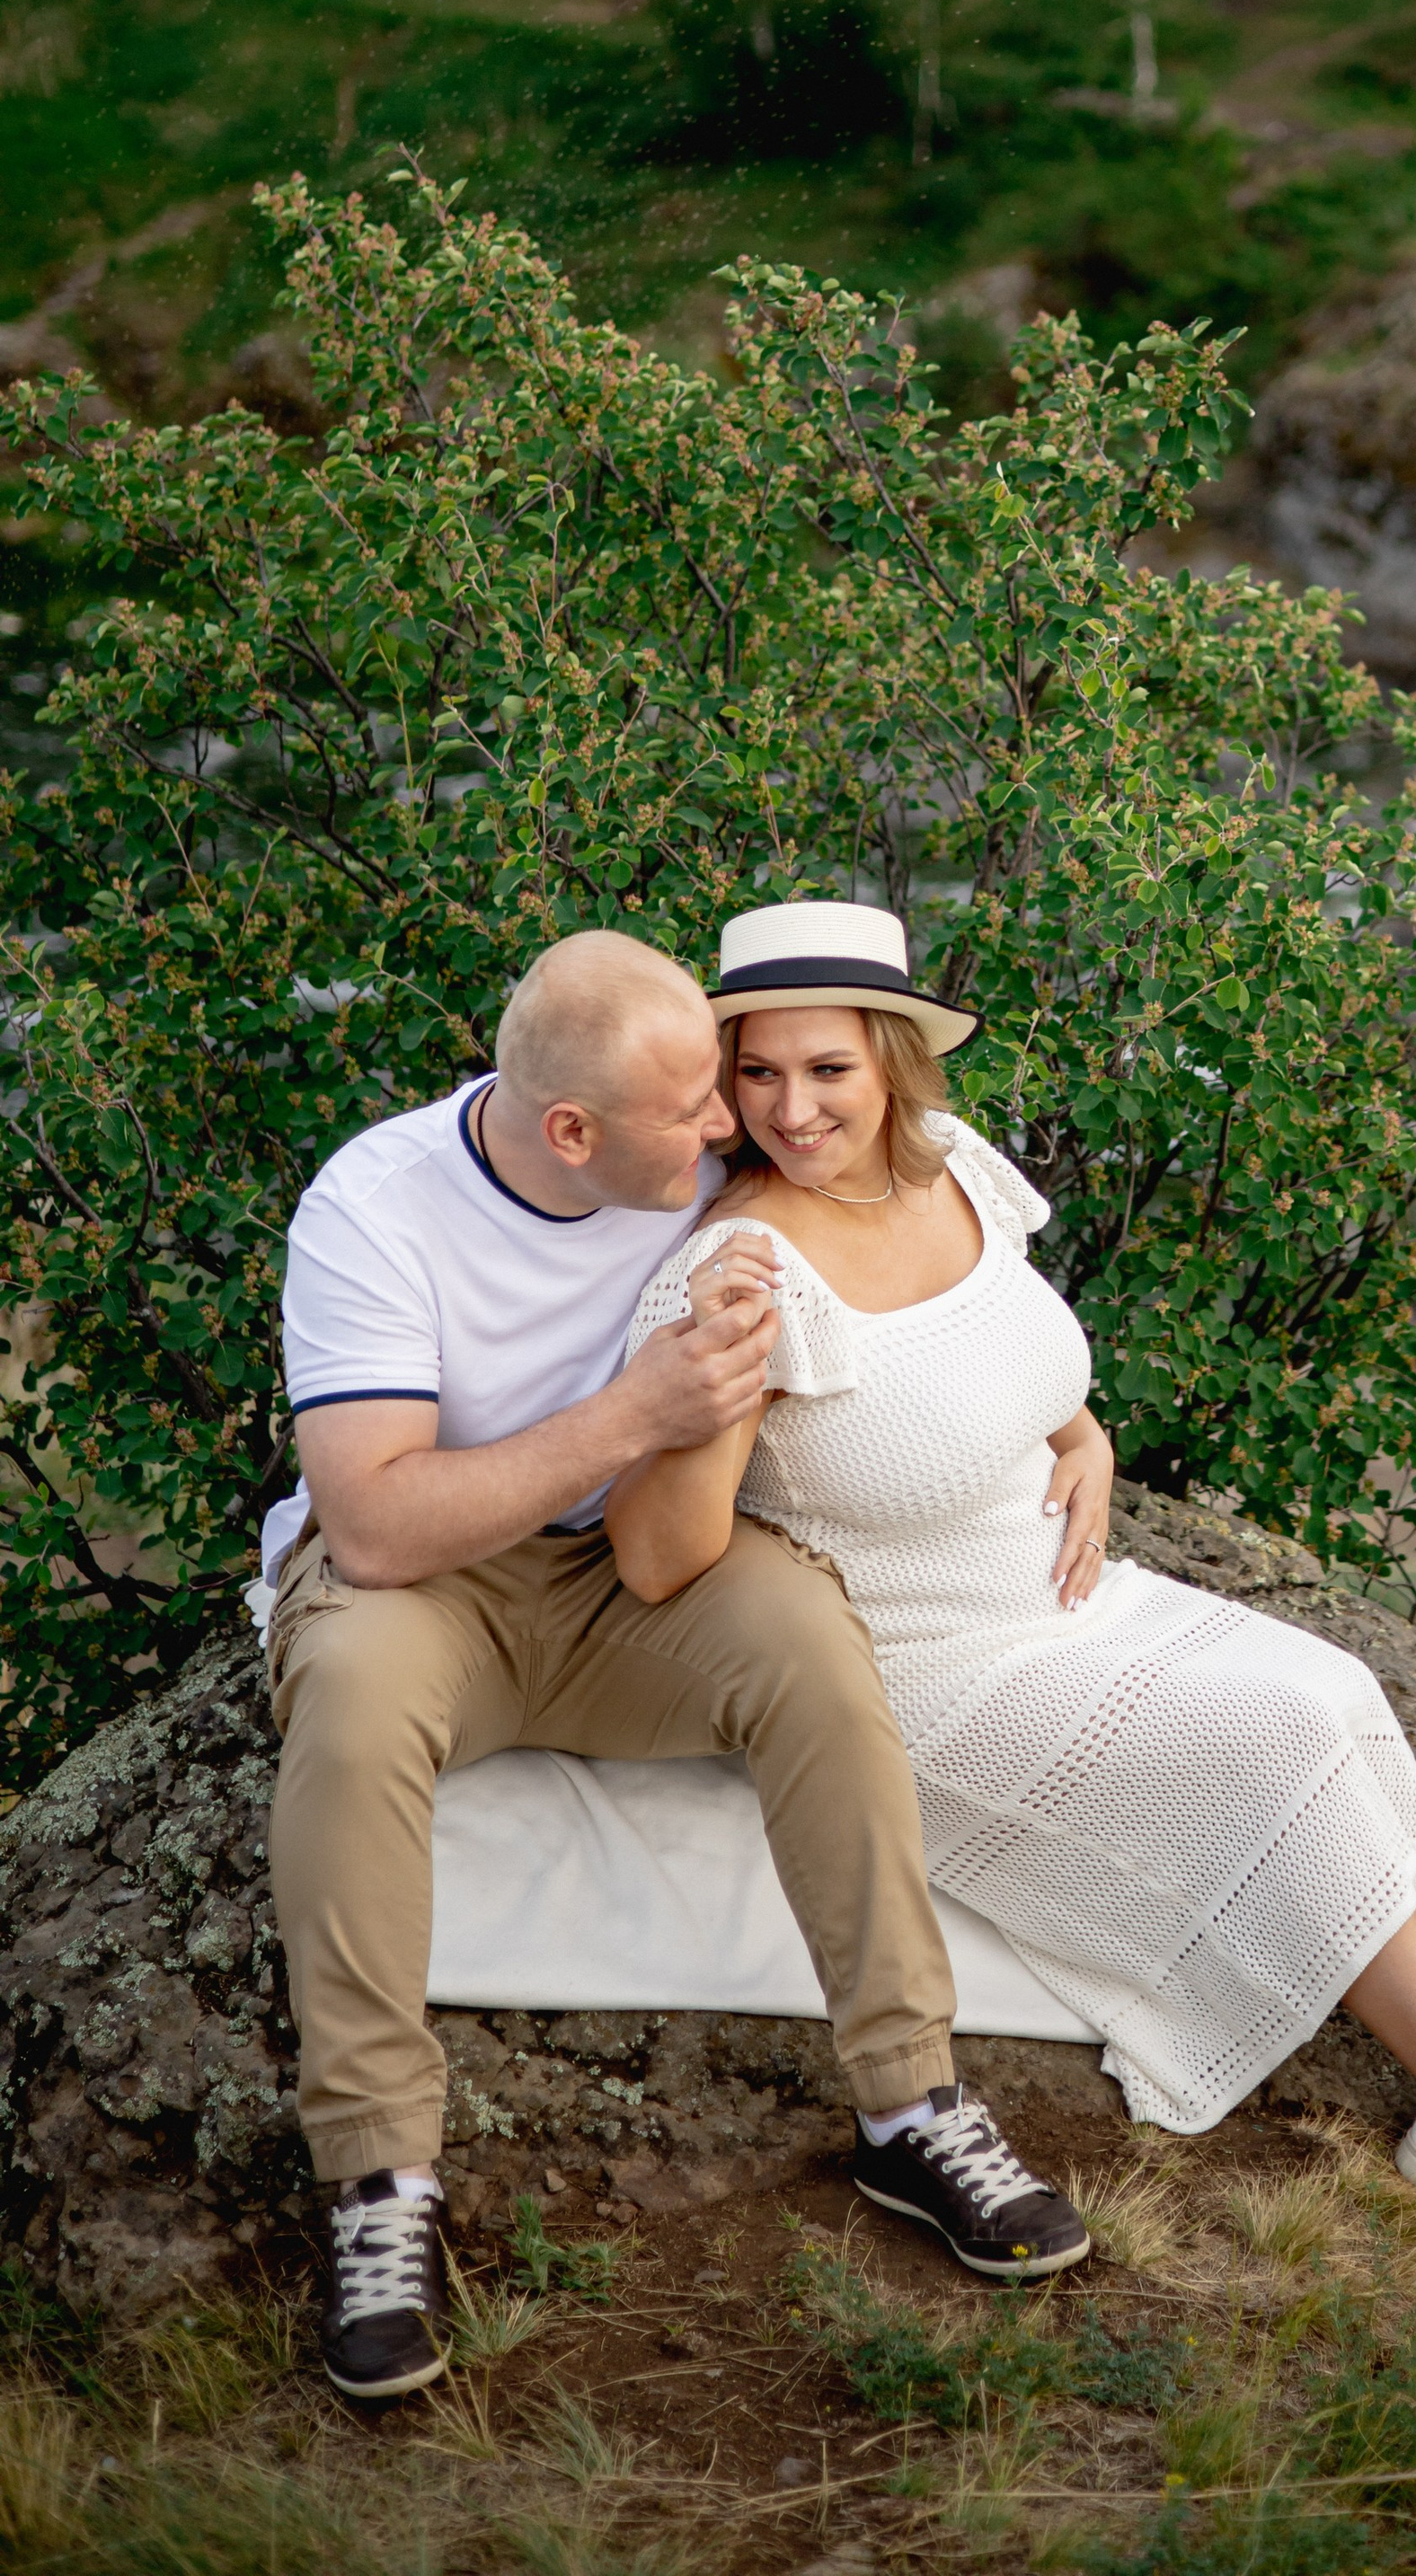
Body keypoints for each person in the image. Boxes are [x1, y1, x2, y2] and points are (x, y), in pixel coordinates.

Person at [606, 902, 1416, 2276]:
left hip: (1060, 1600)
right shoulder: (741, 1265)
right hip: (915, 1671)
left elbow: (1000, 1349)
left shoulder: (948, 1171)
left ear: (892, 1062)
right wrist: (715, 1366)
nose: (794, 1108)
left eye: (829, 1070)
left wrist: (1077, 1429)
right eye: (757, 1072)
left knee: (1339, 1689)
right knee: (1276, 1740)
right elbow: (660, 1558)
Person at [264, 928, 1087, 2411]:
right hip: (428, 1587)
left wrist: (1068, 1426)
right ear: (570, 1130)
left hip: (630, 1579)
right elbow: (376, 1526)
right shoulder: (374, 1210)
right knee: (352, 1708)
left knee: (810, 1652)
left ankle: (911, 2109)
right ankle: (378, 2184)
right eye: (701, 1107)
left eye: (732, 1090)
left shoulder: (707, 1161)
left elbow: (938, 1291)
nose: (737, 1125)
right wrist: (633, 1409)